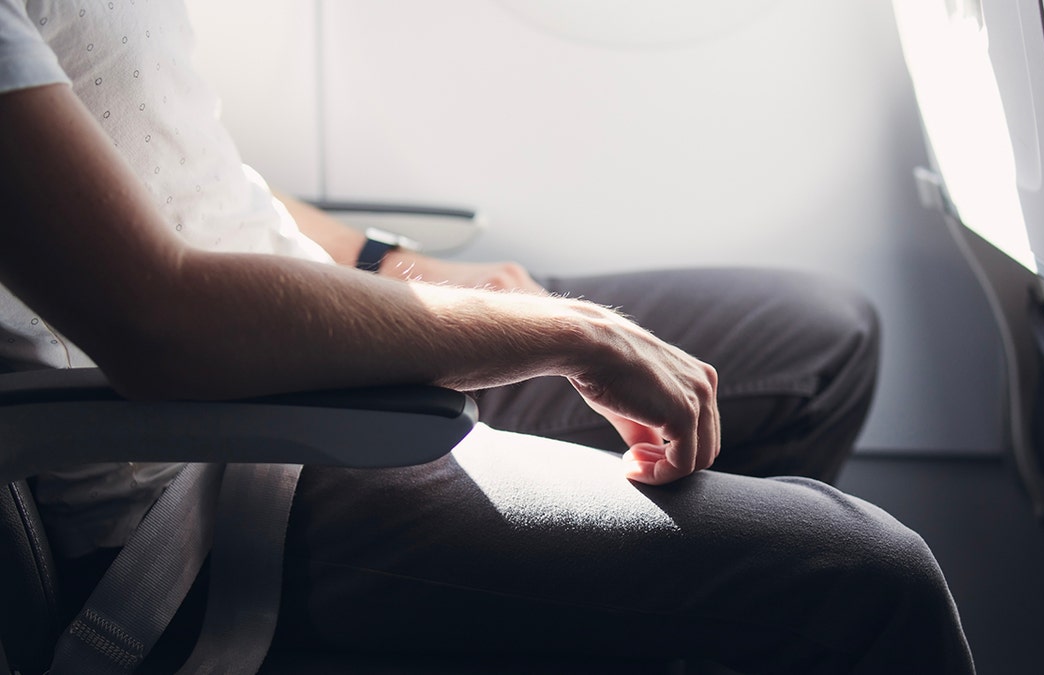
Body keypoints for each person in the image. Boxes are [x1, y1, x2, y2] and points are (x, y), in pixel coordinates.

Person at [0, 1, 975, 672]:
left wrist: (396, 265)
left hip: (305, 347)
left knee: (821, 345)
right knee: (870, 583)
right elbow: (155, 319)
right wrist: (560, 333)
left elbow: (169, 159)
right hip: (204, 476)